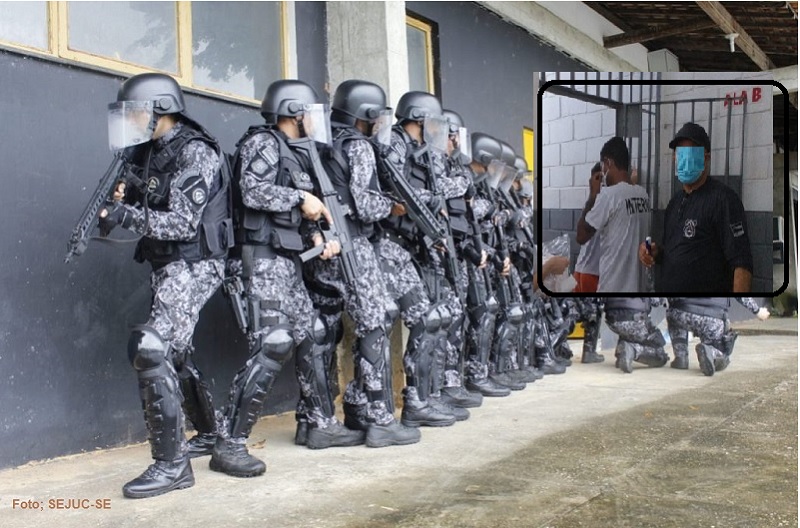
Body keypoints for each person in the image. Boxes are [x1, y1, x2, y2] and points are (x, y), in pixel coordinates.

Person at [211, 80, 370, 479]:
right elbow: (253, 191)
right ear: (292, 112)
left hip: (286, 262)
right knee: (271, 346)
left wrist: (318, 236)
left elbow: (291, 218)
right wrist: (301, 199)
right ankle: (229, 444)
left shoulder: (296, 155)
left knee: (313, 333)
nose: (313, 122)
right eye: (308, 113)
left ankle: (319, 424)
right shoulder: (262, 143)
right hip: (260, 261)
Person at [99, 73, 231, 498]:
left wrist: (128, 217)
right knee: (174, 352)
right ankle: (211, 434)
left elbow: (182, 223)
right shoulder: (151, 152)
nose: (131, 119)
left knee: (151, 347)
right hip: (169, 265)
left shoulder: (196, 153)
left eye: (136, 111)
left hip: (196, 263)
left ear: (160, 109)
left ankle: (172, 466)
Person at [639, 122, 753, 293]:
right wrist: (655, 252)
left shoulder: (723, 199)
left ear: (706, 157)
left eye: (690, 153)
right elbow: (673, 252)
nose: (683, 159)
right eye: (680, 153)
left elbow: (741, 263)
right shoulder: (674, 203)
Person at [577, 137, 650, 292]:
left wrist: (592, 195)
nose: (603, 174)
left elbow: (581, 237)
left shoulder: (608, 197)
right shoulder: (643, 195)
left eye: (604, 167)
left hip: (610, 286)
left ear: (608, 163)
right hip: (638, 286)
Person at [666, 297, 769, 375]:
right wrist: (758, 311)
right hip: (712, 318)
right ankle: (712, 352)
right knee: (723, 358)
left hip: (682, 313)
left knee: (674, 315)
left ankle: (681, 357)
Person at [604, 297, 669, 374]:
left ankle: (621, 354)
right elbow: (656, 302)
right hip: (634, 319)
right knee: (660, 356)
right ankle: (633, 351)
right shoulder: (643, 284)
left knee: (631, 332)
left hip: (612, 321)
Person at [573, 163, 603, 293]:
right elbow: (580, 237)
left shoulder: (591, 204)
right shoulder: (600, 203)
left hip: (581, 271)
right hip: (592, 274)